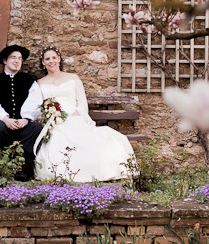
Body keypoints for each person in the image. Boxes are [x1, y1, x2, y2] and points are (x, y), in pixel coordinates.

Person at [34, 45, 136, 182]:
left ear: (59, 59)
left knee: (87, 137)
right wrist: (47, 115)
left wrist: (77, 114)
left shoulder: (72, 78)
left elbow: (82, 103)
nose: (51, 61)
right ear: (43, 62)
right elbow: (38, 104)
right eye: (47, 59)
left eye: (54, 58)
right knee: (57, 136)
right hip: (53, 120)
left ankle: (95, 169)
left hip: (74, 116)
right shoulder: (40, 83)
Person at [0, 44, 43, 181]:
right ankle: (0, 167)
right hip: (2, 122)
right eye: (13, 58)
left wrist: (26, 119)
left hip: (23, 122)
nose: (17, 61)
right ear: (5, 61)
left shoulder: (29, 81)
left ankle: (23, 170)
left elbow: (35, 101)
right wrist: (5, 119)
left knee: (36, 128)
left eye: (20, 59)